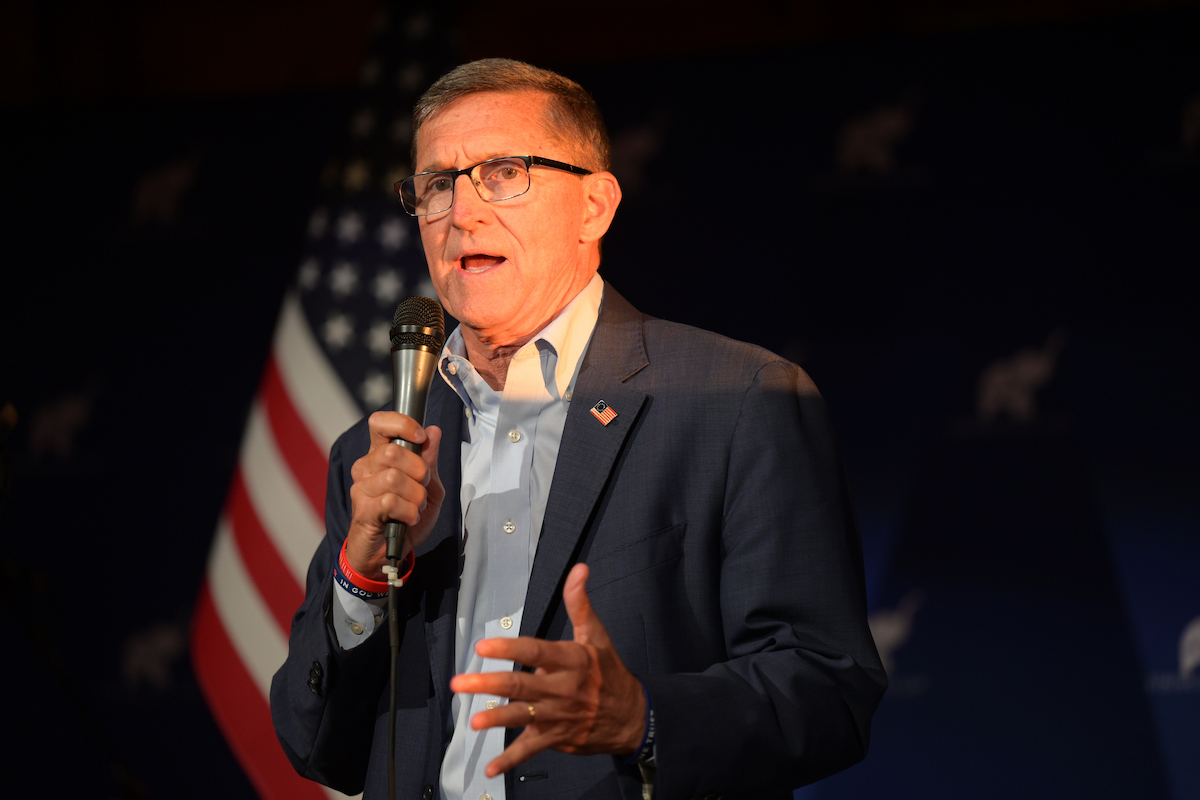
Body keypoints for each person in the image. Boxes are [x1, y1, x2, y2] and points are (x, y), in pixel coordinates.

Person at [271, 58, 885, 800]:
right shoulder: (380, 457)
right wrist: (360, 580)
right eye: (436, 184)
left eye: (501, 172)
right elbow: (315, 744)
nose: (461, 212)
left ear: (595, 205)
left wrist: (645, 718)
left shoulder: (736, 400)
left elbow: (829, 688)